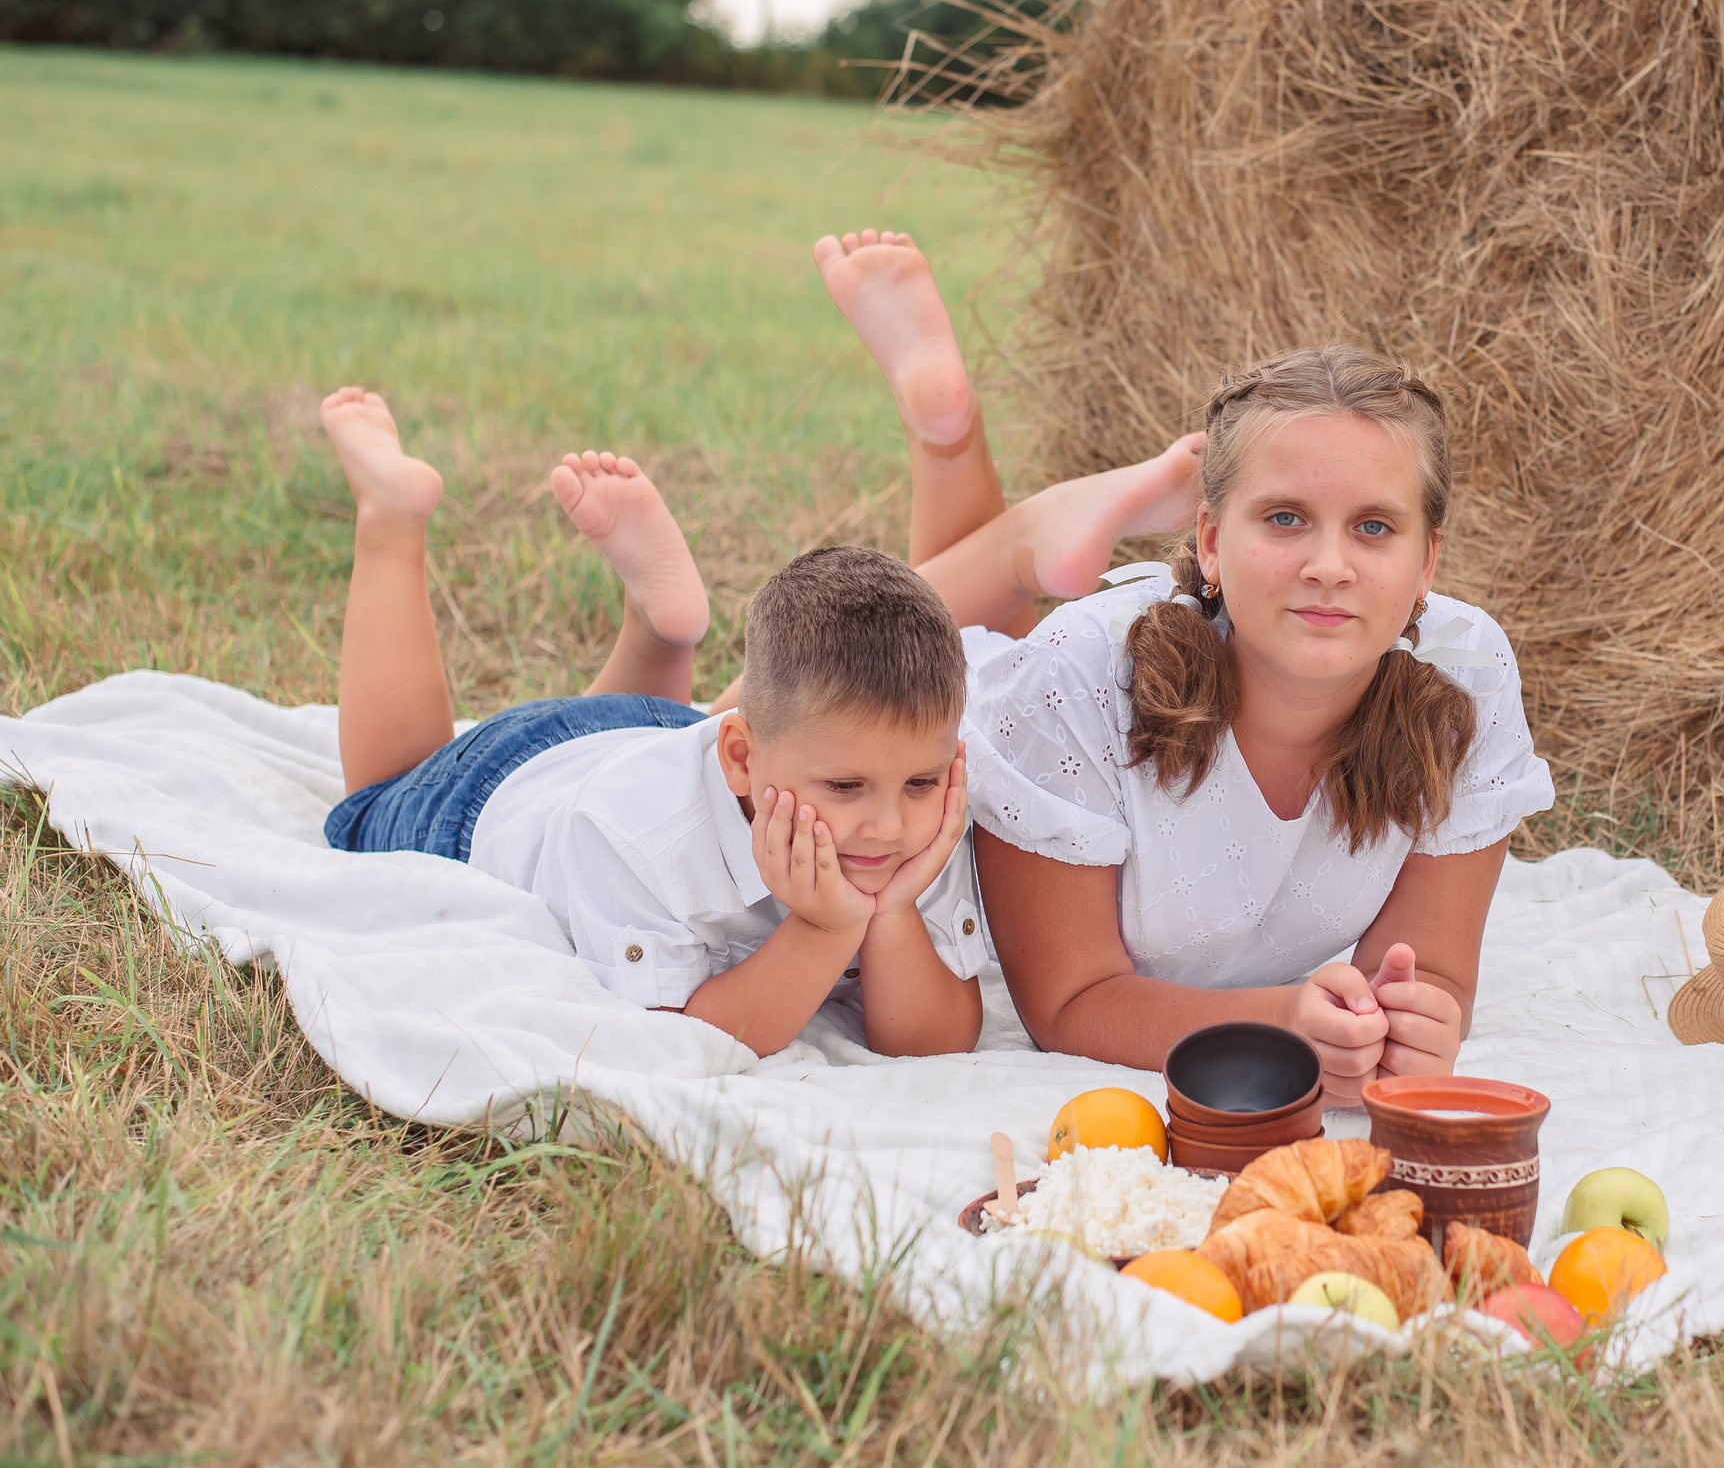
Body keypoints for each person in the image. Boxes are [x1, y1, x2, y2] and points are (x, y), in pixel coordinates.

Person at [314, 229, 1204, 1058]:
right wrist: (826, 927)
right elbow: (694, 1040)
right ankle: (391, 520)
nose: (888, 823)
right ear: (741, 755)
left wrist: (892, 912)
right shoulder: (635, 838)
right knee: (376, 795)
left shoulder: (899, 808)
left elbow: (934, 1041)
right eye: (847, 788)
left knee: (816, 696)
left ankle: (666, 627)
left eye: (920, 783)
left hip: (660, 730)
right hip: (496, 786)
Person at [963, 346, 1556, 1103]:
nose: (1330, 566)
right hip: (902, 753)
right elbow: (1068, 1004)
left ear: (1428, 561)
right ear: (1211, 541)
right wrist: (1279, 1023)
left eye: (1375, 527)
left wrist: (1405, 1029)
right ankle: (1004, 515)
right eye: (1285, 519)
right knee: (880, 645)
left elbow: (1427, 974)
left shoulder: (1465, 673)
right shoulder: (1078, 675)